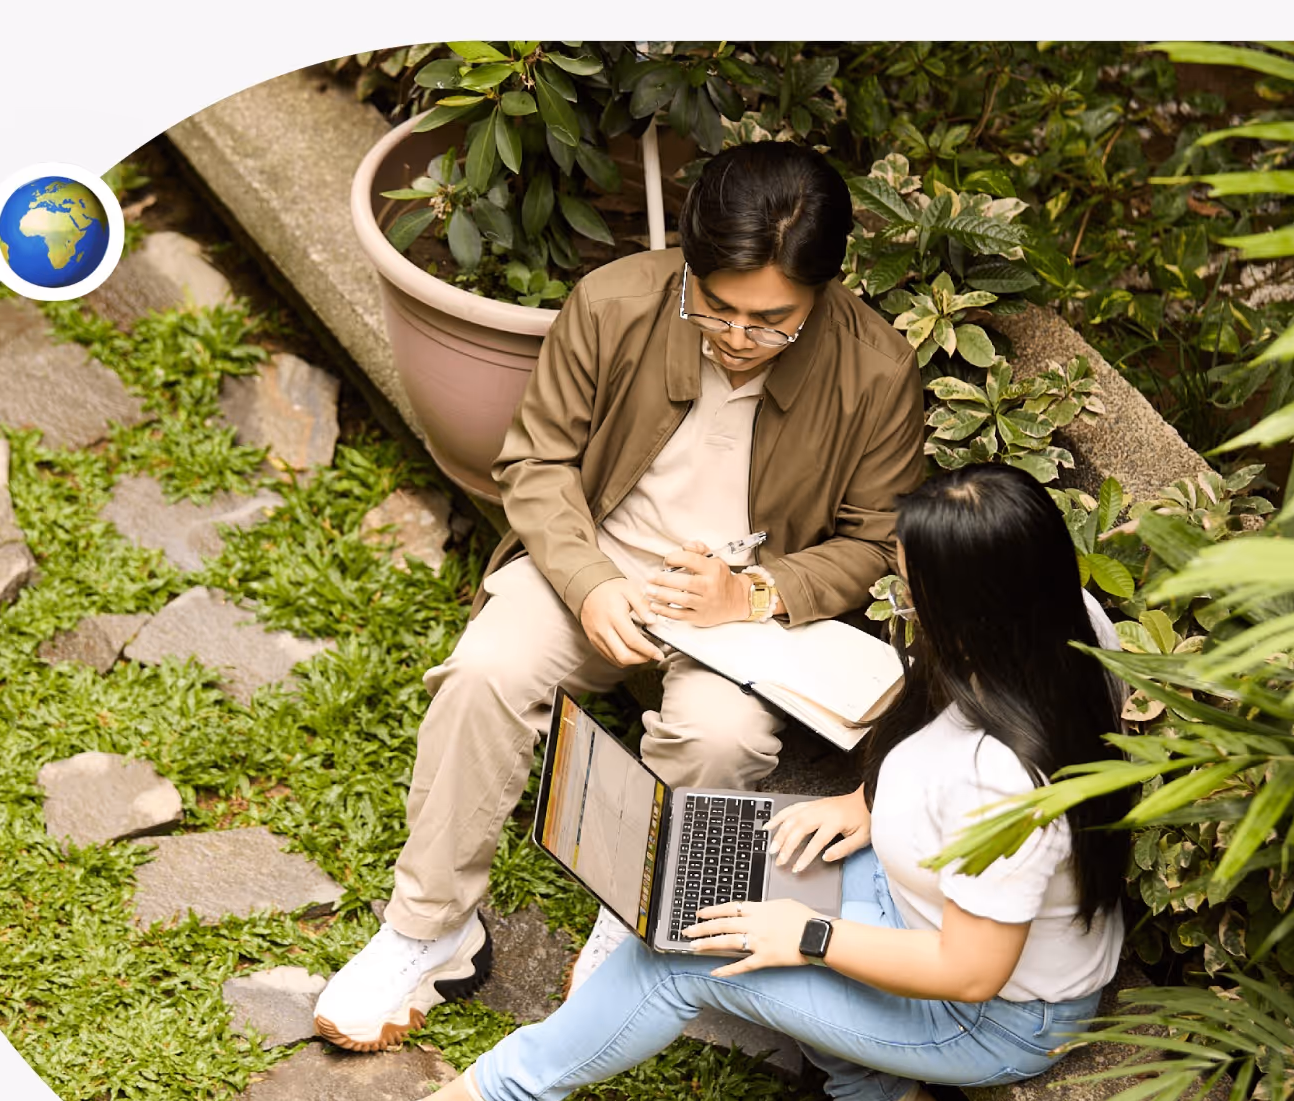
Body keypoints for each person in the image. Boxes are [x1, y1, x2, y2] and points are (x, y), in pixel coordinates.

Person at [364, 463, 1132, 1101]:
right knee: (714, 860)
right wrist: (865, 805)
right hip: (921, 904)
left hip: (986, 1015)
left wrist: (810, 935)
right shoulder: (1062, 632)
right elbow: (941, 718)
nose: (901, 601)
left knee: (682, 952)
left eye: (913, 588)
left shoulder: (1001, 785)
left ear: (975, 612)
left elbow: (970, 971)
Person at [313, 141, 927, 1051]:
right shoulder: (614, 303)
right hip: (595, 560)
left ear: (825, 293)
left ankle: (630, 920)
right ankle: (427, 927)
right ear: (688, 263)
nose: (737, 338)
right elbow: (536, 459)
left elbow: (877, 541)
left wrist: (756, 590)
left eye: (772, 322)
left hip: (744, 621)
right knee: (485, 670)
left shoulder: (874, 372)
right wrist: (590, 579)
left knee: (720, 738)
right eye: (716, 307)